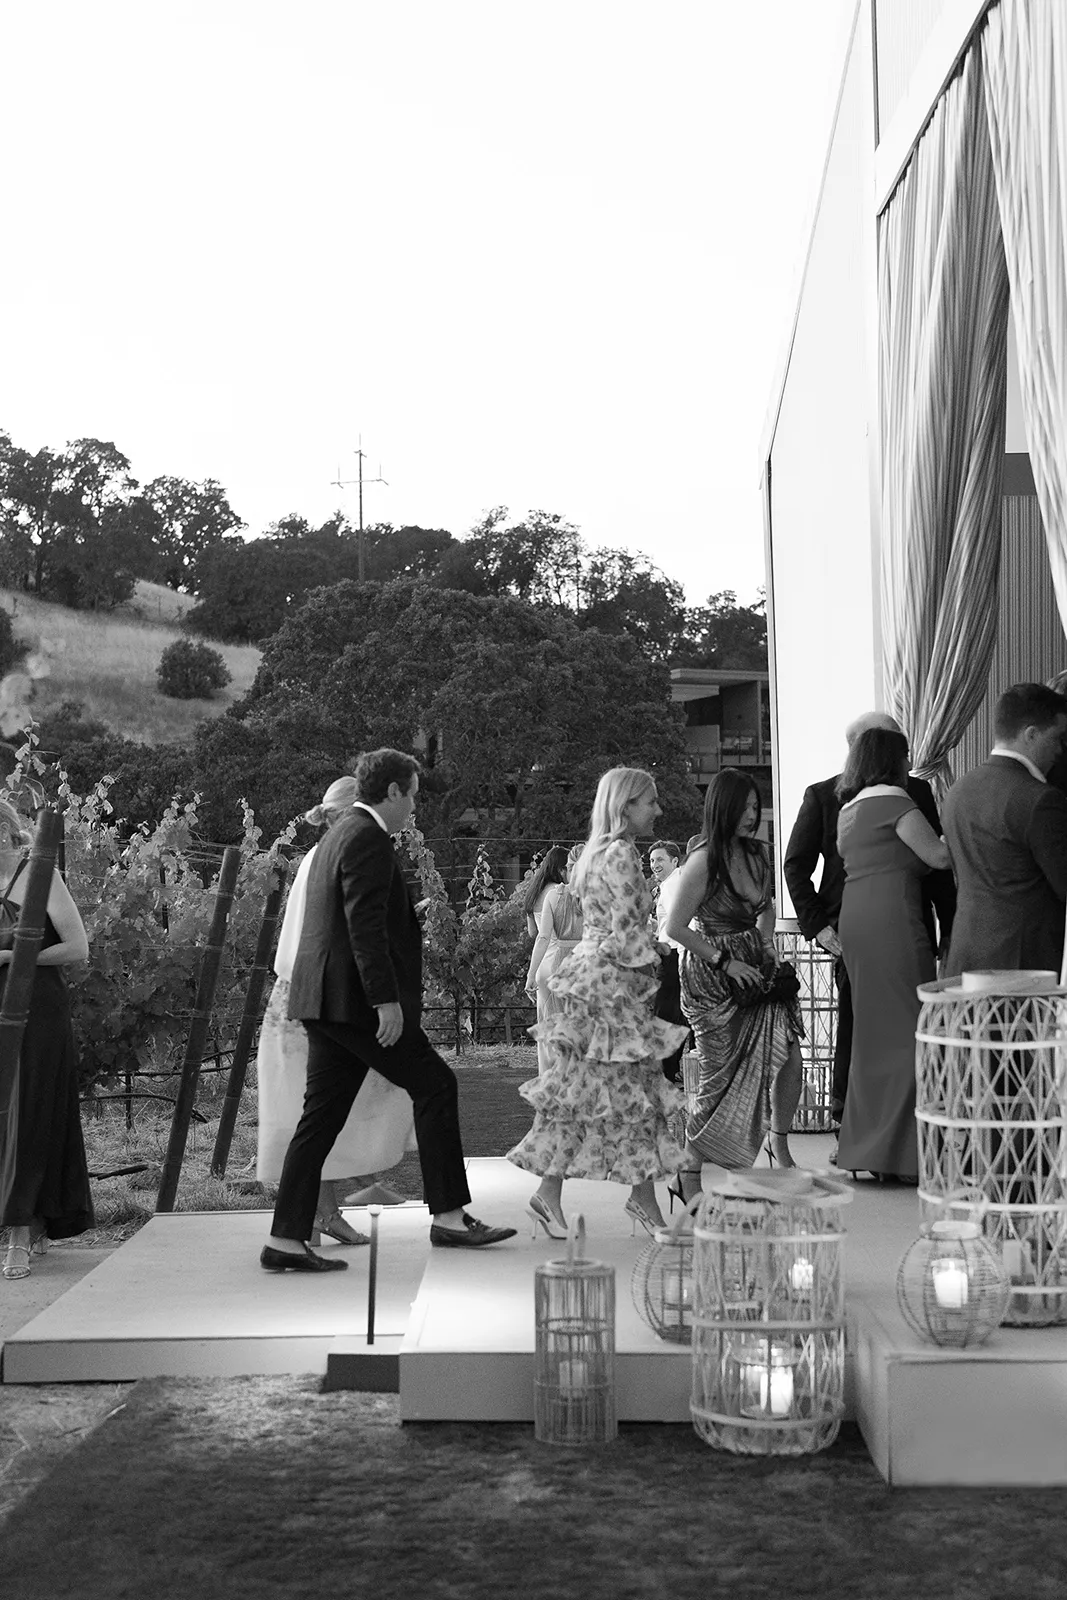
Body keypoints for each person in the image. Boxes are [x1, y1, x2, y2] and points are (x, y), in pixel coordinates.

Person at [262, 748, 516, 1273]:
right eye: (414, 796)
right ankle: (448, 1218)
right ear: (394, 791)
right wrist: (386, 1001)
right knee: (436, 1085)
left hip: (324, 1003)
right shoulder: (369, 837)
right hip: (358, 1006)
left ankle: (285, 1240)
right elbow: (363, 927)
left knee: (320, 1119)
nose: (414, 809)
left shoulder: (338, 835)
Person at [507, 767, 689, 1239]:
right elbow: (629, 931)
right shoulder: (623, 855)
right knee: (629, 1094)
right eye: (650, 801)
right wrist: (655, 958)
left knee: (588, 1091)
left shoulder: (592, 853)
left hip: (591, 980)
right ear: (626, 805)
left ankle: (581, 1196)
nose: (658, 809)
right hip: (615, 988)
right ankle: (639, 1202)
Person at [256, 776, 417, 1245]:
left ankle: (319, 1214)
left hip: (305, 998)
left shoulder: (323, 855)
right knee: (324, 1111)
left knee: (320, 1111)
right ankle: (309, 1219)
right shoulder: (341, 855)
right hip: (321, 1001)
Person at [784, 711, 956, 1125]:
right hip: (878, 922)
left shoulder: (869, 799)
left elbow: (928, 873)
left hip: (868, 919)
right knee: (877, 1024)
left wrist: (948, 925)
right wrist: (818, 927)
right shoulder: (832, 795)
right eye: (897, 744)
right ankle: (858, 1120)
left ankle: (868, 1127)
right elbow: (795, 866)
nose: (905, 754)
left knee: (873, 1026)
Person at [665, 769, 803, 1190]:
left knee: (790, 1054)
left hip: (754, 970)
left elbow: (766, 906)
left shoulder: (759, 854)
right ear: (721, 809)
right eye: (742, 808)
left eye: (755, 806)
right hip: (711, 976)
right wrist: (726, 962)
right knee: (719, 1078)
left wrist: (763, 947)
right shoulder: (703, 861)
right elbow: (676, 928)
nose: (751, 815)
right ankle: (687, 1174)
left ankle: (777, 1142)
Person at [834, 728, 951, 1182]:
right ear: (894, 760)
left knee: (872, 1033)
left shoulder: (850, 809)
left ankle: (868, 1147)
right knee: (908, 1029)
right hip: (892, 917)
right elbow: (939, 857)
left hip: (857, 915)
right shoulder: (897, 803)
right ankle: (901, 1156)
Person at [0, 799, 93, 1279]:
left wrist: (10, 957)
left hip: (37, 1013)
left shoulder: (39, 876)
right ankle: (29, 1220)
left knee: (28, 1118)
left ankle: (17, 1234)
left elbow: (77, 947)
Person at [942, 682, 1067, 977]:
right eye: (1058, 738)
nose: (1061, 750)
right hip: (1023, 963)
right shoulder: (1040, 799)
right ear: (1032, 734)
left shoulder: (958, 790)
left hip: (967, 955)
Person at [524, 843, 583, 1071]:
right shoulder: (589, 896)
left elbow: (538, 936)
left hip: (548, 964)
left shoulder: (543, 894)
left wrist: (530, 975)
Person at [650, 840, 687, 1085]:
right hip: (673, 952)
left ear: (675, 861)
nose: (654, 865)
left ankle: (665, 1070)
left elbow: (679, 922)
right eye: (652, 860)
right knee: (674, 1014)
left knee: (665, 1014)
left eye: (660, 859)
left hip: (673, 954)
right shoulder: (671, 883)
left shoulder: (673, 884)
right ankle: (669, 1069)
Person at [521, 847, 569, 940]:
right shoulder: (559, 891)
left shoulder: (533, 893)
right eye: (570, 868)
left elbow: (533, 933)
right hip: (561, 951)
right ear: (561, 870)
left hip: (543, 952)